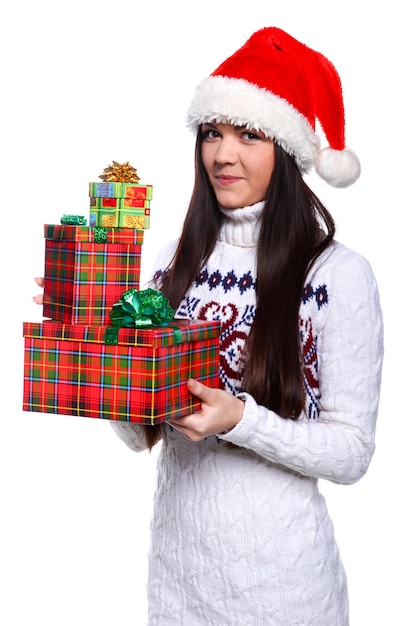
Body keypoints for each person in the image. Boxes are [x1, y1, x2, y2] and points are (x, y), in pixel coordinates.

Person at [35, 27, 384, 625]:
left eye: (250, 134)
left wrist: (240, 419)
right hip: (178, 587)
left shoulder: (338, 275)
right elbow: (137, 436)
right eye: (213, 133)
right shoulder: (173, 260)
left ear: (290, 151)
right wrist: (98, 337)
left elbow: (351, 453)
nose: (224, 154)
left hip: (285, 592)